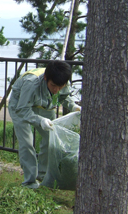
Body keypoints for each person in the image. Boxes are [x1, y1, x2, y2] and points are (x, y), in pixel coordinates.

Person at [8, 61, 80, 189]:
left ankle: (44, 175)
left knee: (51, 139)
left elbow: (63, 96)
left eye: (60, 86)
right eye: (53, 85)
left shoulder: (62, 80)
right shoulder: (31, 82)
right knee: (27, 143)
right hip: (21, 105)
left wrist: (73, 106)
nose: (56, 89)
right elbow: (23, 109)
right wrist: (40, 120)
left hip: (44, 105)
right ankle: (29, 182)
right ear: (46, 78)